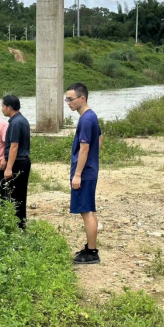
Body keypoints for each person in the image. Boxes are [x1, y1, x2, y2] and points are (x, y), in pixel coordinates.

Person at [66, 83, 104, 265]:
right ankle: (90, 247)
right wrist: (93, 159)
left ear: (82, 98)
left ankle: (92, 252)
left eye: (71, 99)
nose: (68, 103)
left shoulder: (86, 120)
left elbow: (84, 148)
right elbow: (100, 138)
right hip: (90, 169)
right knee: (89, 210)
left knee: (86, 211)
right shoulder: (91, 116)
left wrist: (78, 174)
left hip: (85, 173)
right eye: (66, 99)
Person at [1, 95, 31, 230]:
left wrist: (9, 168)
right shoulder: (21, 120)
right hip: (22, 161)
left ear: (9, 107)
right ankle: (20, 224)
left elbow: (14, 146)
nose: (2, 109)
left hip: (18, 162)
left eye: (3, 106)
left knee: (16, 195)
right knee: (19, 194)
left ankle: (19, 226)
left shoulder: (16, 123)